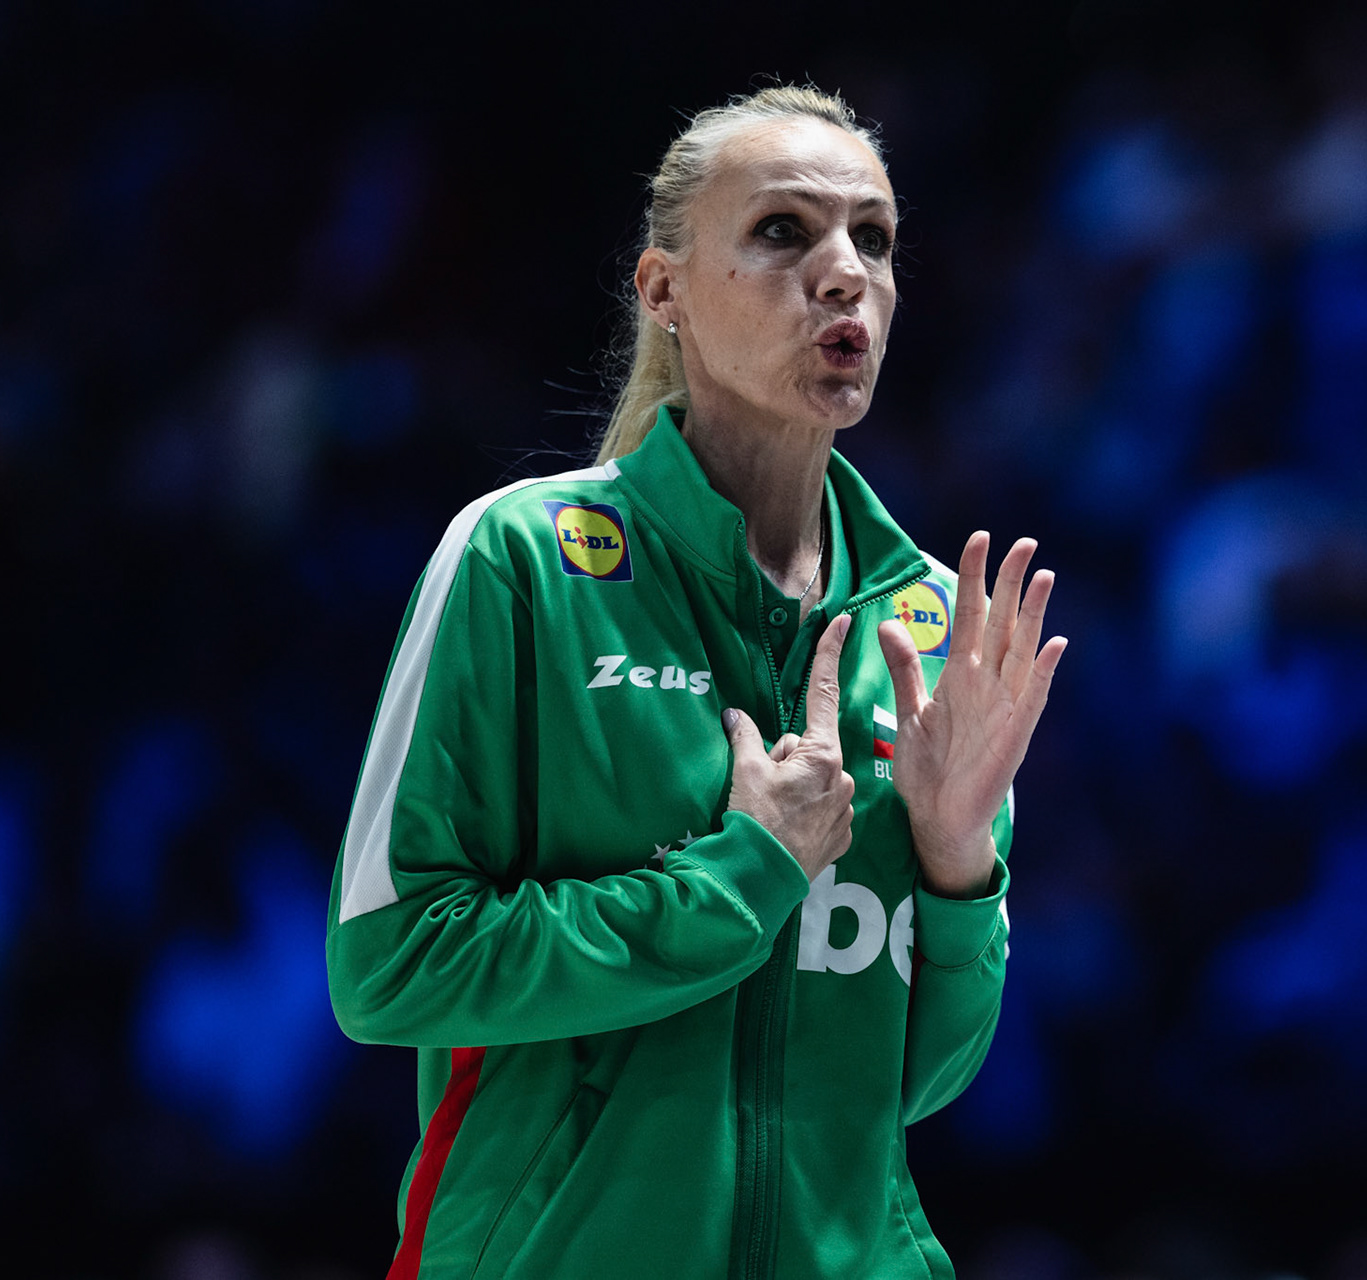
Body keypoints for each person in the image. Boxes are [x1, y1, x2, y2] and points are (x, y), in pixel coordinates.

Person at [326, 84, 1066, 1279]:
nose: (844, 276)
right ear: (663, 290)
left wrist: (958, 865)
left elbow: (918, 1080)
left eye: (872, 240)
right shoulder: (524, 558)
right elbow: (393, 962)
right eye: (784, 231)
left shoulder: (931, 619)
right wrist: (743, 875)